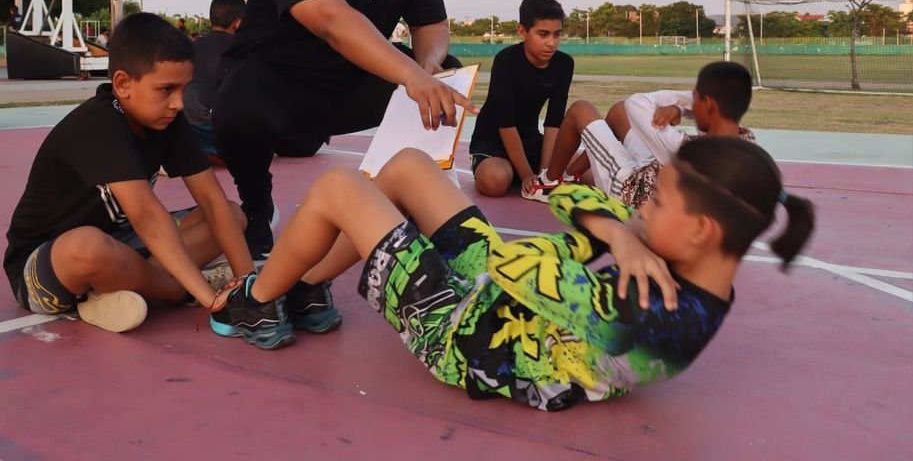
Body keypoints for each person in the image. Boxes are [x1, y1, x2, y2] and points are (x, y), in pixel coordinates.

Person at [210, 141, 814, 411]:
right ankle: (310, 288)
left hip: (463, 338)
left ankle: (259, 301)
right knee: (408, 166)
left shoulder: (652, 317)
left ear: (702, 229)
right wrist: (620, 233)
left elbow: (520, 263)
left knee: (340, 187)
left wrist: (618, 236)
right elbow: (569, 196)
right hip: (501, 306)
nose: (642, 210)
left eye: (657, 204)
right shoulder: (686, 266)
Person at [212, 0, 474, 259]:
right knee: (233, 105)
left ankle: (427, 209)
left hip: (351, 83)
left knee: (445, 77)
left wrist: (428, 65)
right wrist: (410, 75)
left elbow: (430, 24)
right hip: (279, 86)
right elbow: (334, 23)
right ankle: (257, 208)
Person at [2, 12, 254, 333]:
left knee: (232, 215)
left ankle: (118, 290)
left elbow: (211, 198)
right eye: (166, 89)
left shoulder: (167, 120)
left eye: (183, 89)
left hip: (124, 243)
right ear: (123, 84)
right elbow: (148, 217)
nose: (178, 103)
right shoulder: (99, 123)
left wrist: (250, 284)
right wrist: (208, 297)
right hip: (47, 264)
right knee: (87, 247)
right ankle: (173, 288)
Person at [529, 61, 755, 208]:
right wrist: (686, 108)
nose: (691, 103)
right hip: (654, 172)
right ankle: (571, 177)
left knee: (581, 109)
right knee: (618, 112)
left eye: (696, 97)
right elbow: (711, 119)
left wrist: (681, 103)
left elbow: (637, 103)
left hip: (629, 190)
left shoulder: (685, 151)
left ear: (708, 104)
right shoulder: (746, 142)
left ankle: (547, 184)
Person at [469, 0, 574, 201]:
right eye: (543, 34)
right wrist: (527, 175)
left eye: (557, 34)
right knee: (495, 181)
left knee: (588, 173)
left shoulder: (564, 64)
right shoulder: (506, 61)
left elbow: (554, 121)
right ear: (522, 32)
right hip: (493, 142)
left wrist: (545, 175)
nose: (551, 43)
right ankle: (500, 169)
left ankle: (526, 171)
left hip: (531, 141)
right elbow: (505, 123)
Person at [183, 0, 246, 158]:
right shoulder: (244, 50)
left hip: (190, 128)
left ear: (211, 20)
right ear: (238, 23)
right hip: (220, 132)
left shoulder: (190, 48)